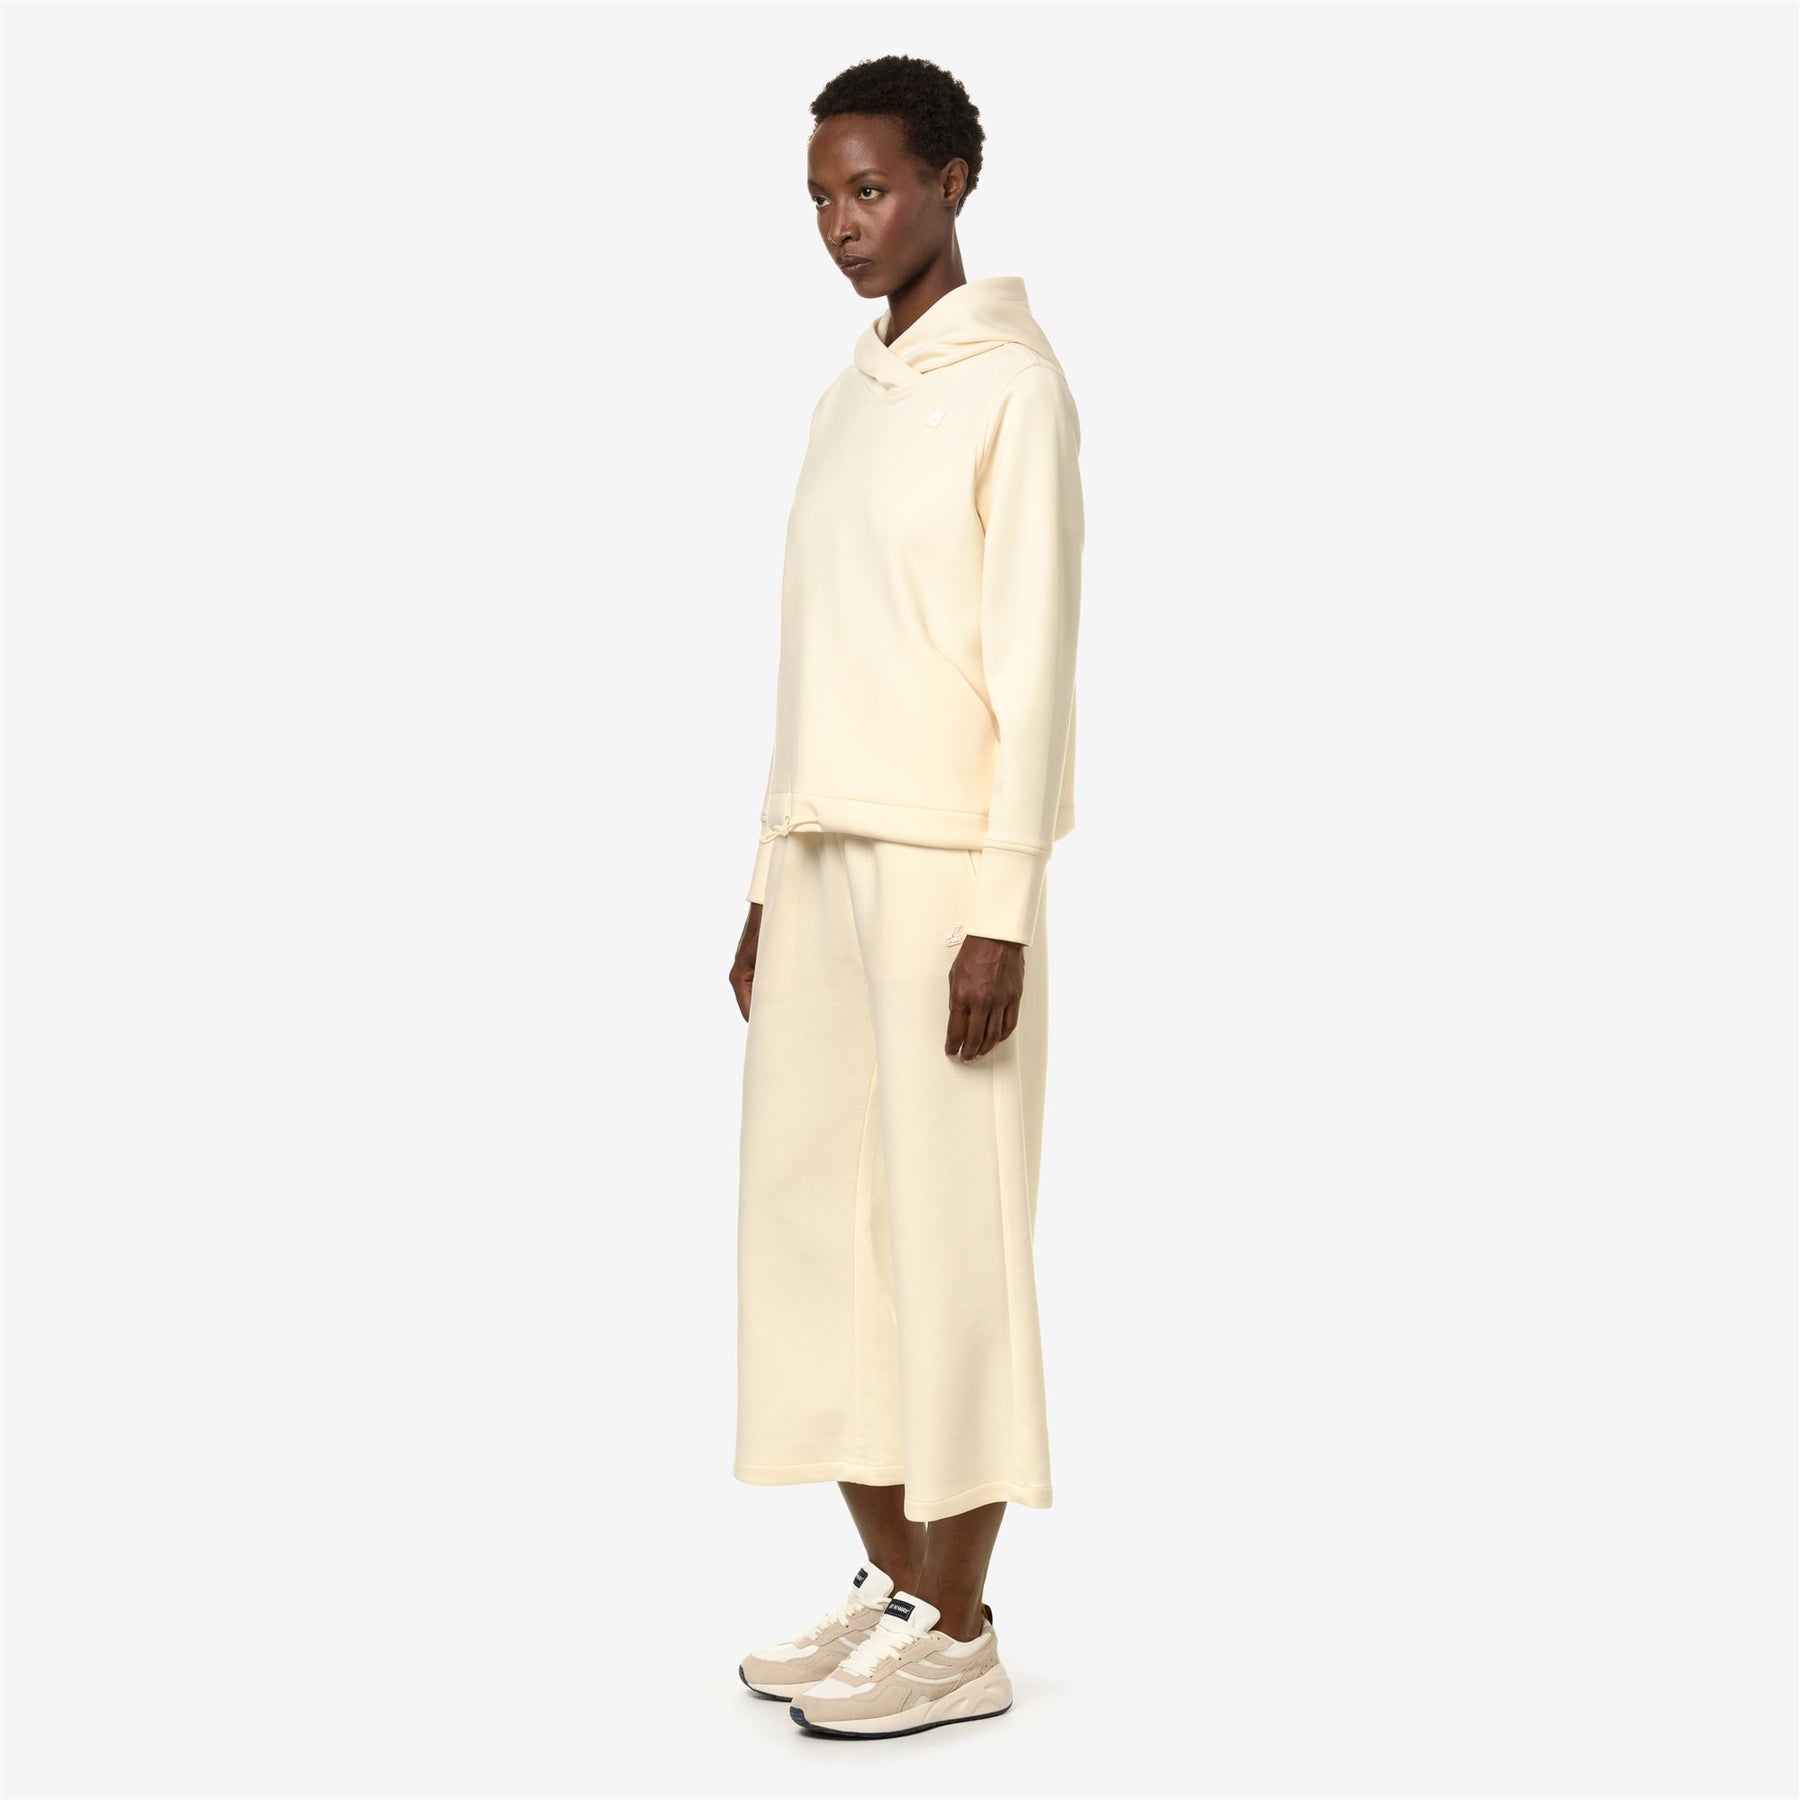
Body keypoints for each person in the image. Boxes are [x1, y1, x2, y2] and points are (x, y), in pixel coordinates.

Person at [727, 53, 1084, 1742]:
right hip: (820, 856)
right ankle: (897, 1583)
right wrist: (763, 873)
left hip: (948, 871)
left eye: (868, 190)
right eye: (820, 197)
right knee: (816, 1235)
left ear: (950, 181)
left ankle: (961, 1625)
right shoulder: (848, 397)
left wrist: (1002, 904)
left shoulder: (1014, 389)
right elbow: (814, 655)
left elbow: (1034, 667)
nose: (841, 225)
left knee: (949, 1242)